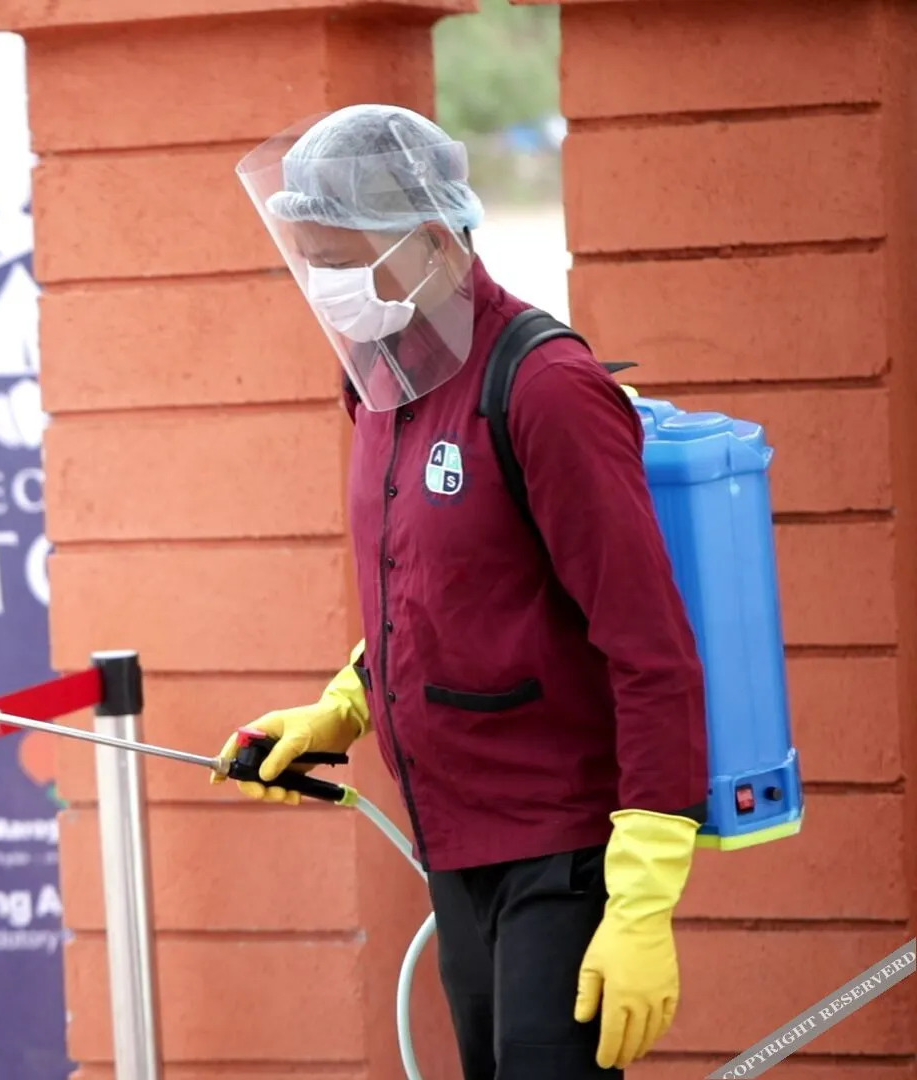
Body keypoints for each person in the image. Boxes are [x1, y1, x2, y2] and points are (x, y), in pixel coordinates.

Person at [221, 104, 710, 1079]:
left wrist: (642, 901)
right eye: (310, 256)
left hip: (561, 852)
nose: (325, 283)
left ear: (436, 240)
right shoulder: (382, 379)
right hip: (457, 844)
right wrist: (342, 708)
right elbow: (433, 580)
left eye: (343, 255)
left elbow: (652, 652)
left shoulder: (544, 388)